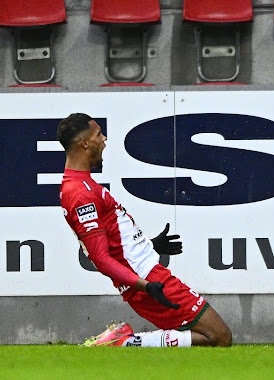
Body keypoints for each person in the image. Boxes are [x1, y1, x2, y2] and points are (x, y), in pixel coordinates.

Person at [57, 113, 232, 347]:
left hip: (147, 273)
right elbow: (100, 258)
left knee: (213, 338)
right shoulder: (80, 193)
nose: (105, 139)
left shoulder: (83, 185)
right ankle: (126, 342)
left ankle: (127, 342)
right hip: (145, 278)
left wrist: (149, 244)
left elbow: (113, 237)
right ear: (85, 143)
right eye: (99, 134)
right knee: (220, 337)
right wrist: (145, 286)